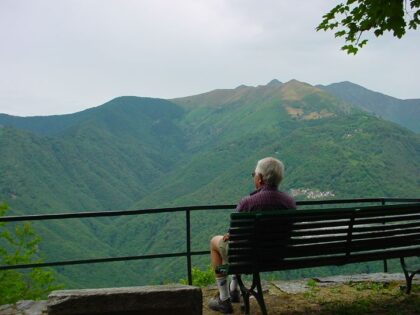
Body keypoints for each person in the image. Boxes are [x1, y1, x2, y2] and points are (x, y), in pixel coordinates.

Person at [208, 157, 296, 313]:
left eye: (254, 174)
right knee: (244, 246)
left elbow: (235, 234)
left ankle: (224, 297)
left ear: (260, 179)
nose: (254, 177)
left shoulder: (248, 203)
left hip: (247, 257)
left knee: (216, 243)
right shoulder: (289, 202)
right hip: (276, 256)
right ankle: (234, 289)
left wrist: (230, 234)